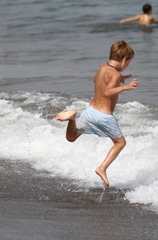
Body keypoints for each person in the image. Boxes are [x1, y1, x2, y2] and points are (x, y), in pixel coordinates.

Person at [55, 40, 138, 187]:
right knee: (120, 143)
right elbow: (107, 92)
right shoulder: (116, 74)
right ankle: (102, 168)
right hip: (103, 117)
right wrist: (125, 86)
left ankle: (72, 119)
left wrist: (119, 79)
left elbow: (97, 80)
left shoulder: (103, 67)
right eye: (128, 62)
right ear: (125, 59)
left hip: (90, 111)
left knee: (71, 137)